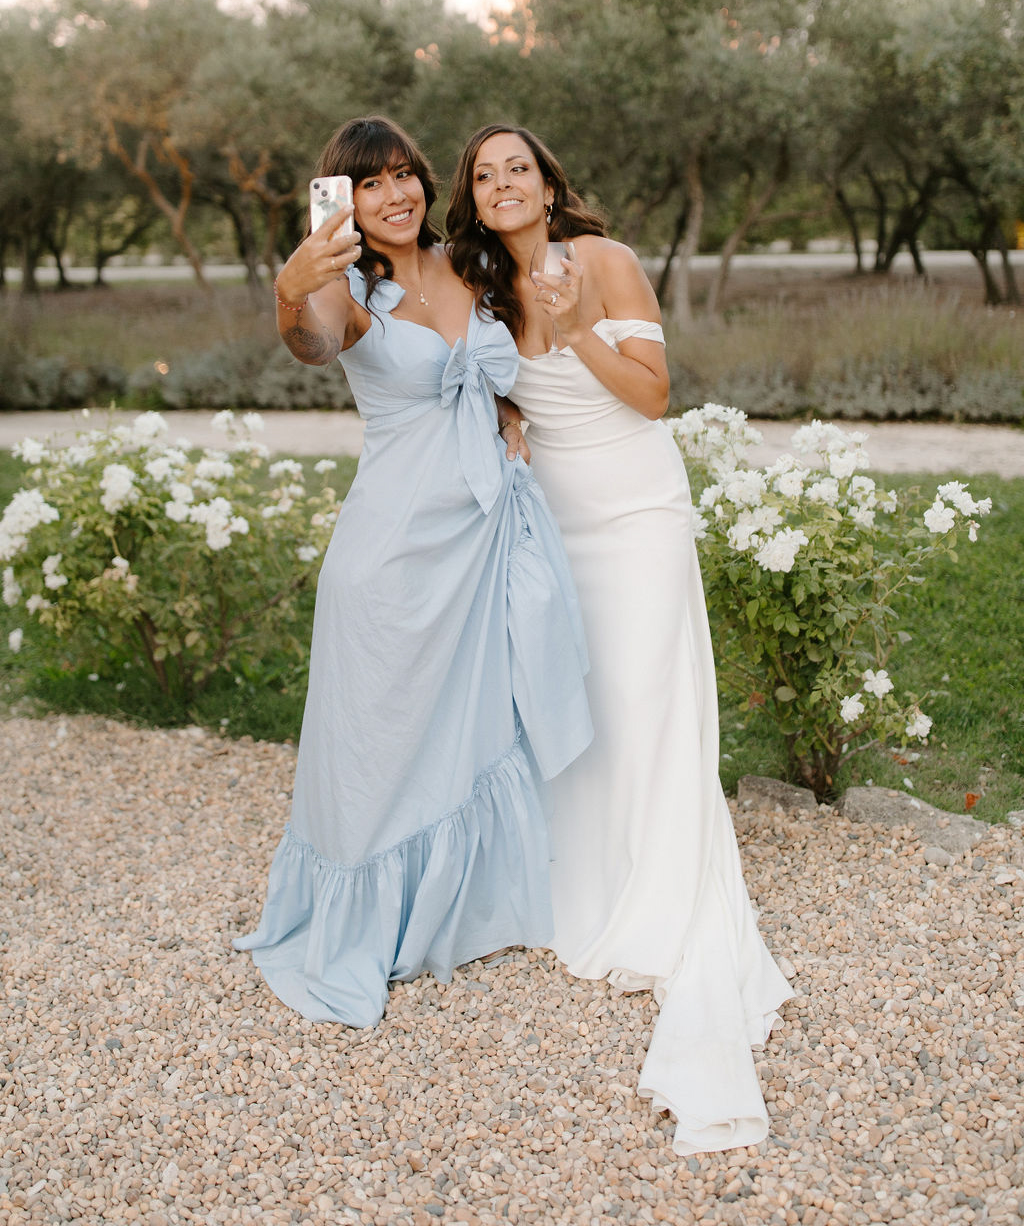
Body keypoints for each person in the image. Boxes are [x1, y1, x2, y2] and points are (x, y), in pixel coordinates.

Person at [446, 124, 793, 1156]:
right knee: (583, 704)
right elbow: (499, 400)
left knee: (647, 700)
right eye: (484, 173)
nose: (504, 183)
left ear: (548, 187)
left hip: (637, 516)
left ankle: (664, 897)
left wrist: (575, 324)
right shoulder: (476, 288)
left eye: (520, 168)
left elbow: (653, 397)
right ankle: (587, 886)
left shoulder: (602, 263)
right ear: (473, 198)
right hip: (556, 529)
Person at [234, 116, 592, 1027]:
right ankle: (362, 925)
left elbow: (502, 361)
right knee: (378, 746)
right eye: (368, 184)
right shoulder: (348, 288)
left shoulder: (468, 267)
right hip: (392, 556)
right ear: (343, 201)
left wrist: (508, 408)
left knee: (464, 730)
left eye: (404, 177)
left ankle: (462, 909)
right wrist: (290, 290)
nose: (393, 196)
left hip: (476, 538)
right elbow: (317, 343)